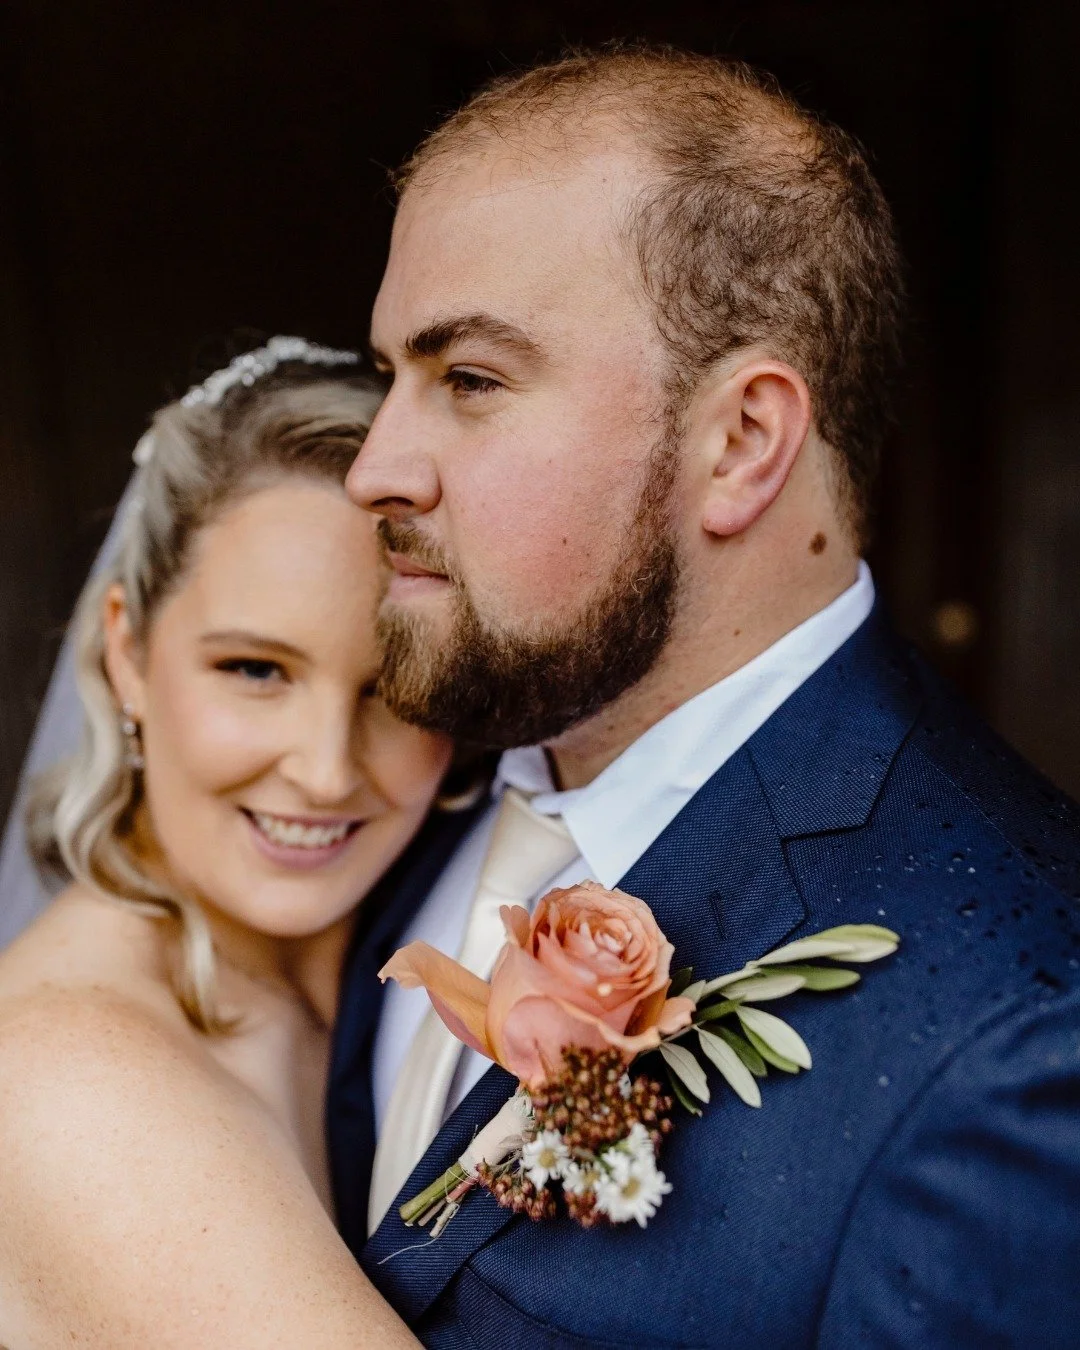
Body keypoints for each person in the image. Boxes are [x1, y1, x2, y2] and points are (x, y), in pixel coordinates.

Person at [330, 46, 1080, 1347]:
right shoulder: (391, 789)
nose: (375, 465)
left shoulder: (1019, 1040)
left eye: (470, 379)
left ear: (738, 444)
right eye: (391, 372)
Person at [0, 339, 446, 1347]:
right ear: (126, 650)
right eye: (255, 670)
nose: (328, 770)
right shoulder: (75, 1078)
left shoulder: (391, 969)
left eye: (396, 691)